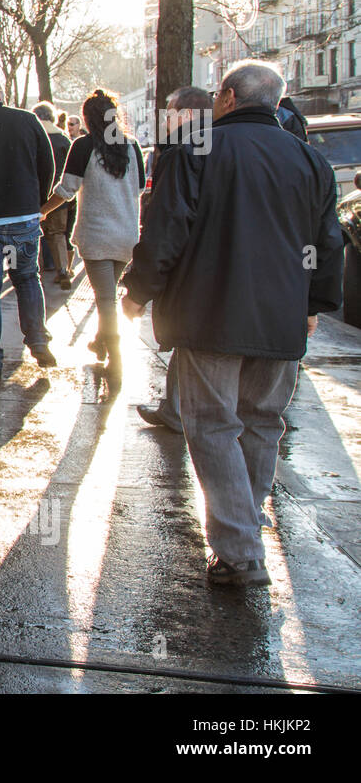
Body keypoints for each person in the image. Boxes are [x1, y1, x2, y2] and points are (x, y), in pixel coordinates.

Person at [121, 61, 344, 586]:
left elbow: (166, 228)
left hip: (211, 314)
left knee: (215, 428)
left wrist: (138, 292)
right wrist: (312, 305)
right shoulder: (311, 161)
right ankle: (243, 528)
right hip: (281, 320)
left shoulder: (194, 150)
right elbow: (327, 245)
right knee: (263, 422)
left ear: (226, 97)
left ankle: (240, 550)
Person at [40, 89, 145, 389]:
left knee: (106, 299)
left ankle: (117, 359)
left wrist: (42, 212)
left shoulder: (84, 146)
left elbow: (66, 189)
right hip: (126, 235)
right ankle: (101, 343)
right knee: (107, 294)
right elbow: (138, 190)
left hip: (96, 235)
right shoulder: (132, 146)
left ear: (87, 117)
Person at [0, 77, 57, 376]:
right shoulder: (27, 120)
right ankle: (38, 342)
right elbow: (48, 164)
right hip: (24, 219)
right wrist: (37, 203)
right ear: (1, 94)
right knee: (27, 279)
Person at [137, 85, 213, 433]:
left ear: (183, 114)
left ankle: (180, 411)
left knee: (193, 345)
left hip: (199, 274)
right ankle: (175, 408)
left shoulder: (185, 152)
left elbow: (168, 225)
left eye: (168, 110)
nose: (163, 118)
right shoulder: (204, 146)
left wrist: (140, 290)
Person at [34, 101, 74, 289]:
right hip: (59, 197)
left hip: (37, 195)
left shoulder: (34, 135)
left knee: (35, 233)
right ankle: (63, 270)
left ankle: (36, 273)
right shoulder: (64, 139)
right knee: (57, 233)